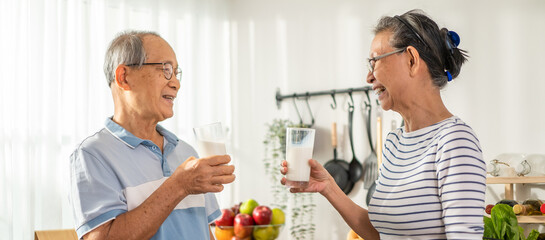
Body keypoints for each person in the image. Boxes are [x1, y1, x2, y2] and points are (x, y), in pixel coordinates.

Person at [281, 9, 486, 240]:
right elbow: (382, 233)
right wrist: (328, 186)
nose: (368, 77)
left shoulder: (455, 142)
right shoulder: (395, 142)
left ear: (411, 60)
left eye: (374, 61)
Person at [69, 30, 236, 240]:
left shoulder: (187, 153)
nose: (176, 83)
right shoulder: (91, 155)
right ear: (124, 77)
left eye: (176, 73)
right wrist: (179, 185)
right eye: (166, 69)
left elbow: (205, 233)